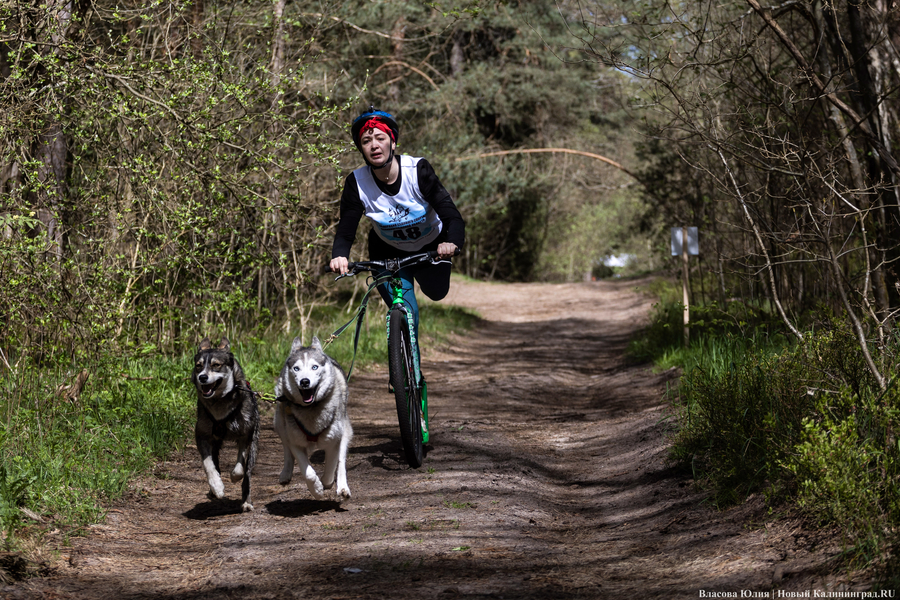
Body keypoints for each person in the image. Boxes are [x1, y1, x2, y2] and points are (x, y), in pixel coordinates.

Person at [329, 107, 465, 366]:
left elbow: (452, 216)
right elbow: (346, 228)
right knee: (405, 310)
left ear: (393, 141)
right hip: (387, 252)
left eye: (380, 138)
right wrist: (339, 256)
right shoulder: (356, 183)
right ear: (361, 149)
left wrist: (452, 243)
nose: (374, 145)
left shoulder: (418, 170)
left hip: (432, 248)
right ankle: (407, 370)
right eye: (366, 141)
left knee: (437, 292)